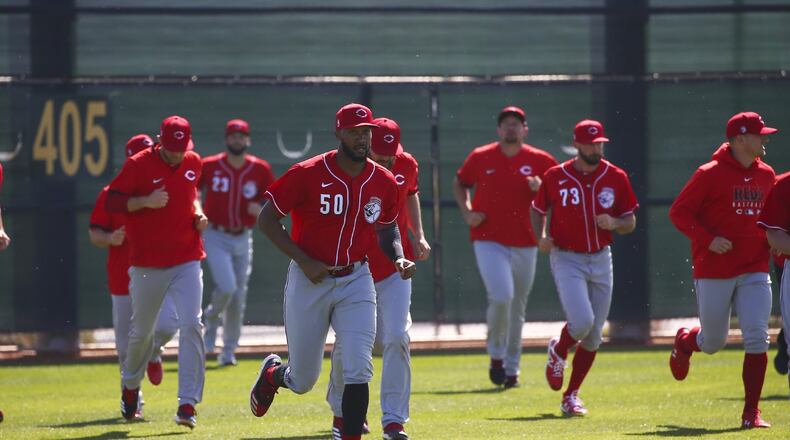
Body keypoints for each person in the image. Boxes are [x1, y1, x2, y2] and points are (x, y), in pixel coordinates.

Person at [248, 103, 415, 440]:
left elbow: (387, 228)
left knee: (358, 366)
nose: (362, 138)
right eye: (354, 131)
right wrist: (304, 259)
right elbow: (266, 219)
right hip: (310, 279)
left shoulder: (382, 180)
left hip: (356, 279)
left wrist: (397, 256)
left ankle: (350, 431)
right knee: (303, 380)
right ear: (338, 132)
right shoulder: (308, 172)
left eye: (366, 131)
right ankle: (274, 375)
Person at [668, 111, 777, 429]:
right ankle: (687, 342)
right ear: (740, 138)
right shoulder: (709, 173)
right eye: (760, 134)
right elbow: (679, 213)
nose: (765, 138)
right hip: (714, 268)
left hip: (755, 267)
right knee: (713, 343)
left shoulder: (767, 174)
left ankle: (750, 413)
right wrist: (708, 239)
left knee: (757, 337)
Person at [326, 117, 429, 440]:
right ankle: (343, 412)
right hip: (355, 267)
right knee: (351, 344)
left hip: (394, 266)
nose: (385, 161)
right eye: (378, 154)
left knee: (397, 337)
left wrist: (419, 234)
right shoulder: (344, 167)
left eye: (389, 155)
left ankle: (394, 420)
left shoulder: (406, 164)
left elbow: (410, 193)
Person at [106, 115, 208, 429]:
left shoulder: (193, 161)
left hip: (187, 258)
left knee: (192, 324)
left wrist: (199, 212)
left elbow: (192, 193)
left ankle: (188, 404)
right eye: (170, 148)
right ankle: (131, 384)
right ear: (159, 140)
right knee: (141, 332)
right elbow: (113, 201)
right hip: (147, 263)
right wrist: (144, 201)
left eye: (181, 148)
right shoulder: (138, 164)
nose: (176, 154)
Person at [531, 119, 638, 416]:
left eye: (599, 142)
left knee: (593, 337)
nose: (596, 147)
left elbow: (630, 221)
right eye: (590, 143)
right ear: (577, 145)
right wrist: (540, 236)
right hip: (567, 257)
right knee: (581, 322)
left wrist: (615, 222)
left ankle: (571, 395)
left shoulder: (615, 175)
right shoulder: (556, 175)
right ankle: (559, 349)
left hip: (602, 256)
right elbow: (538, 209)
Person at [453, 105, 557, 387]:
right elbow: (460, 183)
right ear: (499, 130)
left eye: (516, 123)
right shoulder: (481, 156)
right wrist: (468, 212)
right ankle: (496, 356)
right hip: (489, 239)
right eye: (506, 123)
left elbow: (558, 195)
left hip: (526, 241)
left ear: (525, 129)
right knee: (501, 296)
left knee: (517, 306)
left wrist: (541, 190)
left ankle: (512, 369)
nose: (511, 127)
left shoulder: (541, 160)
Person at [200, 119, 275, 366]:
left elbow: (274, 200)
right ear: (226, 139)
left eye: (241, 136)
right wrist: (197, 210)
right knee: (229, 287)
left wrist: (261, 207)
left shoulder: (259, 169)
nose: (237, 140)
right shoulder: (210, 165)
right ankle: (211, 318)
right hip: (215, 233)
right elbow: (192, 191)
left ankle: (229, 349)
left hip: (243, 235)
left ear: (248, 139)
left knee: (238, 296)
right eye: (233, 136)